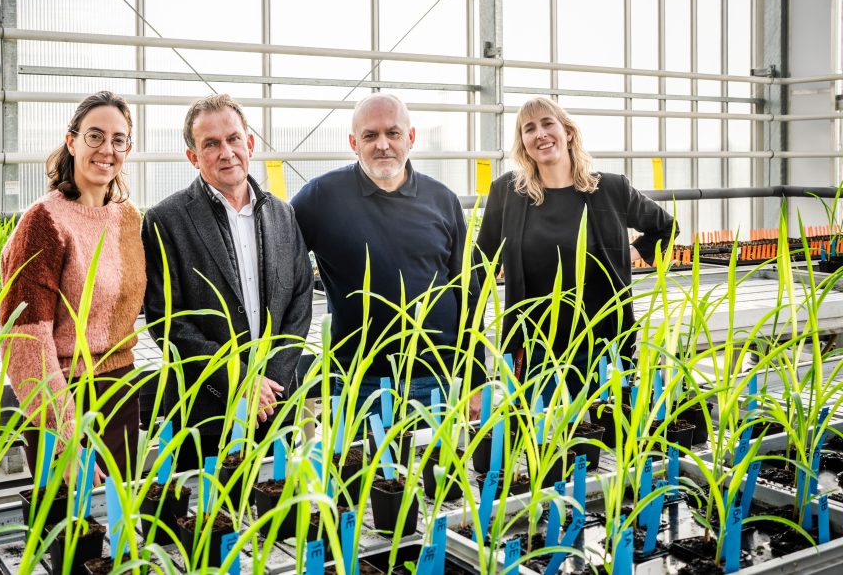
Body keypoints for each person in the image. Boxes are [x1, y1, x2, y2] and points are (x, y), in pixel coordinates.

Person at [142, 94, 312, 469]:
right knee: (204, 521)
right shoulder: (165, 220)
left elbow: (299, 302)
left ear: (249, 143)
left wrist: (269, 383)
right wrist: (238, 381)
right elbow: (166, 320)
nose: (226, 152)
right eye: (211, 144)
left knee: (280, 515)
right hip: (204, 411)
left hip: (276, 407)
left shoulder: (283, 214)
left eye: (234, 139)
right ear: (193, 156)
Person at [291, 93, 484, 417]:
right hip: (361, 384)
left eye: (392, 133)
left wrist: (475, 379)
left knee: (437, 467)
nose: (382, 144)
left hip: (436, 380)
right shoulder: (321, 197)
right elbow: (278, 256)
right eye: (370, 135)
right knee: (362, 468)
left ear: (410, 138)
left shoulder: (441, 199)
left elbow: (469, 292)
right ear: (354, 142)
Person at [476, 96, 676, 395]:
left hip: (601, 352)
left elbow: (666, 227)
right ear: (523, 142)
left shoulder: (609, 189)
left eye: (547, 123)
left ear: (567, 132)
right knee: (535, 439)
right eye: (529, 129)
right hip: (533, 355)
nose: (540, 133)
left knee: (602, 437)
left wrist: (629, 253)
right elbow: (478, 269)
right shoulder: (508, 193)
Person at [0, 91, 146, 485]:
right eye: (94, 136)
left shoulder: (129, 218)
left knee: (119, 531)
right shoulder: (44, 221)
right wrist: (64, 436)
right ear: (72, 141)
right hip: (64, 396)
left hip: (119, 394)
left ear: (128, 149)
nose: (106, 150)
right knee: (70, 538)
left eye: (118, 140)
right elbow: (25, 339)